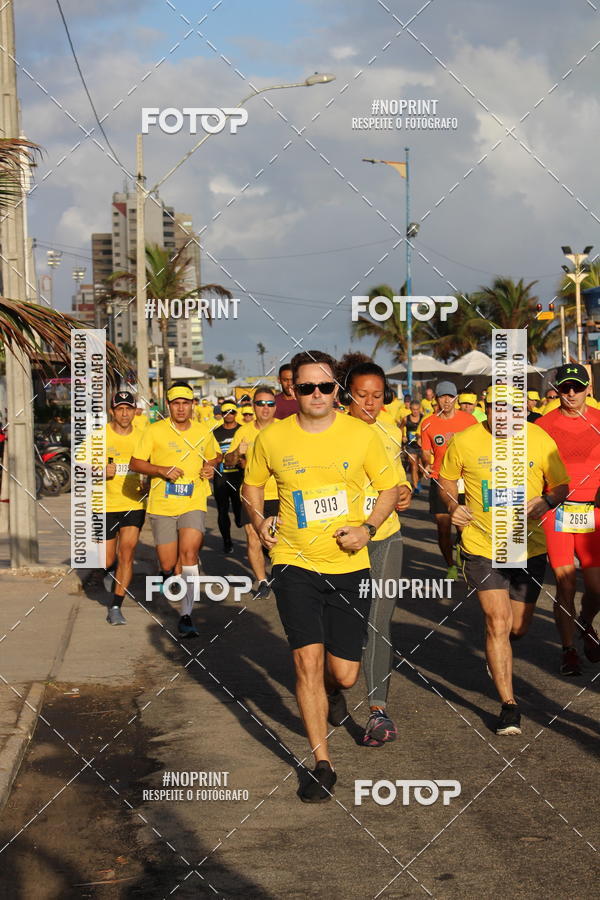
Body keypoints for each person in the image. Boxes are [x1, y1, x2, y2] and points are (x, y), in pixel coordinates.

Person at [243, 350, 397, 803]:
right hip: (294, 563)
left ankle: (335, 693)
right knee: (305, 663)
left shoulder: (361, 435)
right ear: (293, 389)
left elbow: (390, 487)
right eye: (305, 387)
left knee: (345, 674)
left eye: (325, 387)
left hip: (350, 565)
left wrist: (368, 529)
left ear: (337, 390)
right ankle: (321, 764)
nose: (315, 394)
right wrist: (257, 521)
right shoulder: (272, 438)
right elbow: (252, 484)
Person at [439, 386, 569, 735]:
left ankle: (497, 653)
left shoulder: (539, 438)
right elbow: (446, 481)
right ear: (487, 408)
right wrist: (454, 506)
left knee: (517, 627)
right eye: (496, 408)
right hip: (482, 545)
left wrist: (546, 501)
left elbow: (561, 486)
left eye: (511, 408)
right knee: (497, 622)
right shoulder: (465, 441)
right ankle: (509, 704)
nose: (503, 415)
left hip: (527, 547)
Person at [340, 359, 412, 747]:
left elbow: (399, 486)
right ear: (347, 394)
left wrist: (404, 493)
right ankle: (334, 692)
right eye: (362, 395)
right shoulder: (332, 431)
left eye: (378, 396)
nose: (369, 402)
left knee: (378, 621)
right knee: (340, 625)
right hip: (341, 542)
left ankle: (377, 710)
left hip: (386, 536)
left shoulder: (389, 430)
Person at [129, 382, 220, 638]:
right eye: (176, 403)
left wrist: (209, 466)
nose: (181, 408)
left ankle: (186, 615)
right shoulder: (154, 431)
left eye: (186, 403)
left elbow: (214, 455)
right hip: (163, 504)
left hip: (194, 500)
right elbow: (135, 463)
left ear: (192, 405)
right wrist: (160, 470)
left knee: (189, 554)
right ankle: (167, 572)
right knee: (170, 563)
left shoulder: (203, 430)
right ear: (168, 406)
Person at [535, 363, 600, 674]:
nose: (571, 393)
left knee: (596, 588)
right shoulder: (543, 425)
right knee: (565, 583)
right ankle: (568, 649)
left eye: (577, 387)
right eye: (565, 388)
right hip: (557, 511)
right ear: (557, 390)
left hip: (593, 511)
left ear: (589, 388)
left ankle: (584, 623)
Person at [225, 386, 279, 599]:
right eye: (260, 404)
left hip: (279, 494)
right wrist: (237, 453)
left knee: (277, 540)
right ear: (253, 406)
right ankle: (263, 582)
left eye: (270, 404)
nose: (265, 408)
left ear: (275, 407)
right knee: (253, 538)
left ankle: (280, 575)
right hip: (251, 493)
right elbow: (227, 462)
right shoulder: (243, 431)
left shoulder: (284, 428)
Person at [420, 381, 477, 579]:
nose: (446, 400)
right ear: (436, 399)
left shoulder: (469, 421)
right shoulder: (428, 422)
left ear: (456, 399)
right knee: (443, 526)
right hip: (439, 479)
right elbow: (426, 452)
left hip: (465, 480)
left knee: (465, 526)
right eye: (442, 396)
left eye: (450, 397)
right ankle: (450, 565)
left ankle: (463, 550)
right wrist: (427, 463)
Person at [100, 391, 147, 625]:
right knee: (106, 558)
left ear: (135, 410)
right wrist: (98, 471)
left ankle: (116, 606)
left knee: (126, 553)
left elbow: (152, 463)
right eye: (120, 409)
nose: (125, 413)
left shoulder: (143, 436)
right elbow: (79, 466)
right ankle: (109, 570)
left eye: (129, 408)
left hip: (133, 504)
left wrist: (147, 481)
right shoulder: (99, 436)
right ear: (112, 411)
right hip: (105, 505)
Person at [212, 401, 243, 553]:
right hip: (221, 477)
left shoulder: (243, 431)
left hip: (239, 477)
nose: (229, 415)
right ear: (221, 414)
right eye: (226, 412)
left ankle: (239, 518)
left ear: (236, 413)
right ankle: (227, 541)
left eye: (232, 412)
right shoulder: (215, 433)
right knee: (222, 510)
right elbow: (212, 455)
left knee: (239, 509)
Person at [402, 400, 424, 492]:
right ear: (410, 409)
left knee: (421, 469)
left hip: (421, 446)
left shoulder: (423, 418)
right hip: (410, 446)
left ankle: (417, 481)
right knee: (413, 465)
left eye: (417, 409)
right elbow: (400, 428)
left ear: (420, 409)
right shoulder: (406, 419)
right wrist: (403, 436)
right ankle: (415, 487)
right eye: (413, 409)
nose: (415, 411)